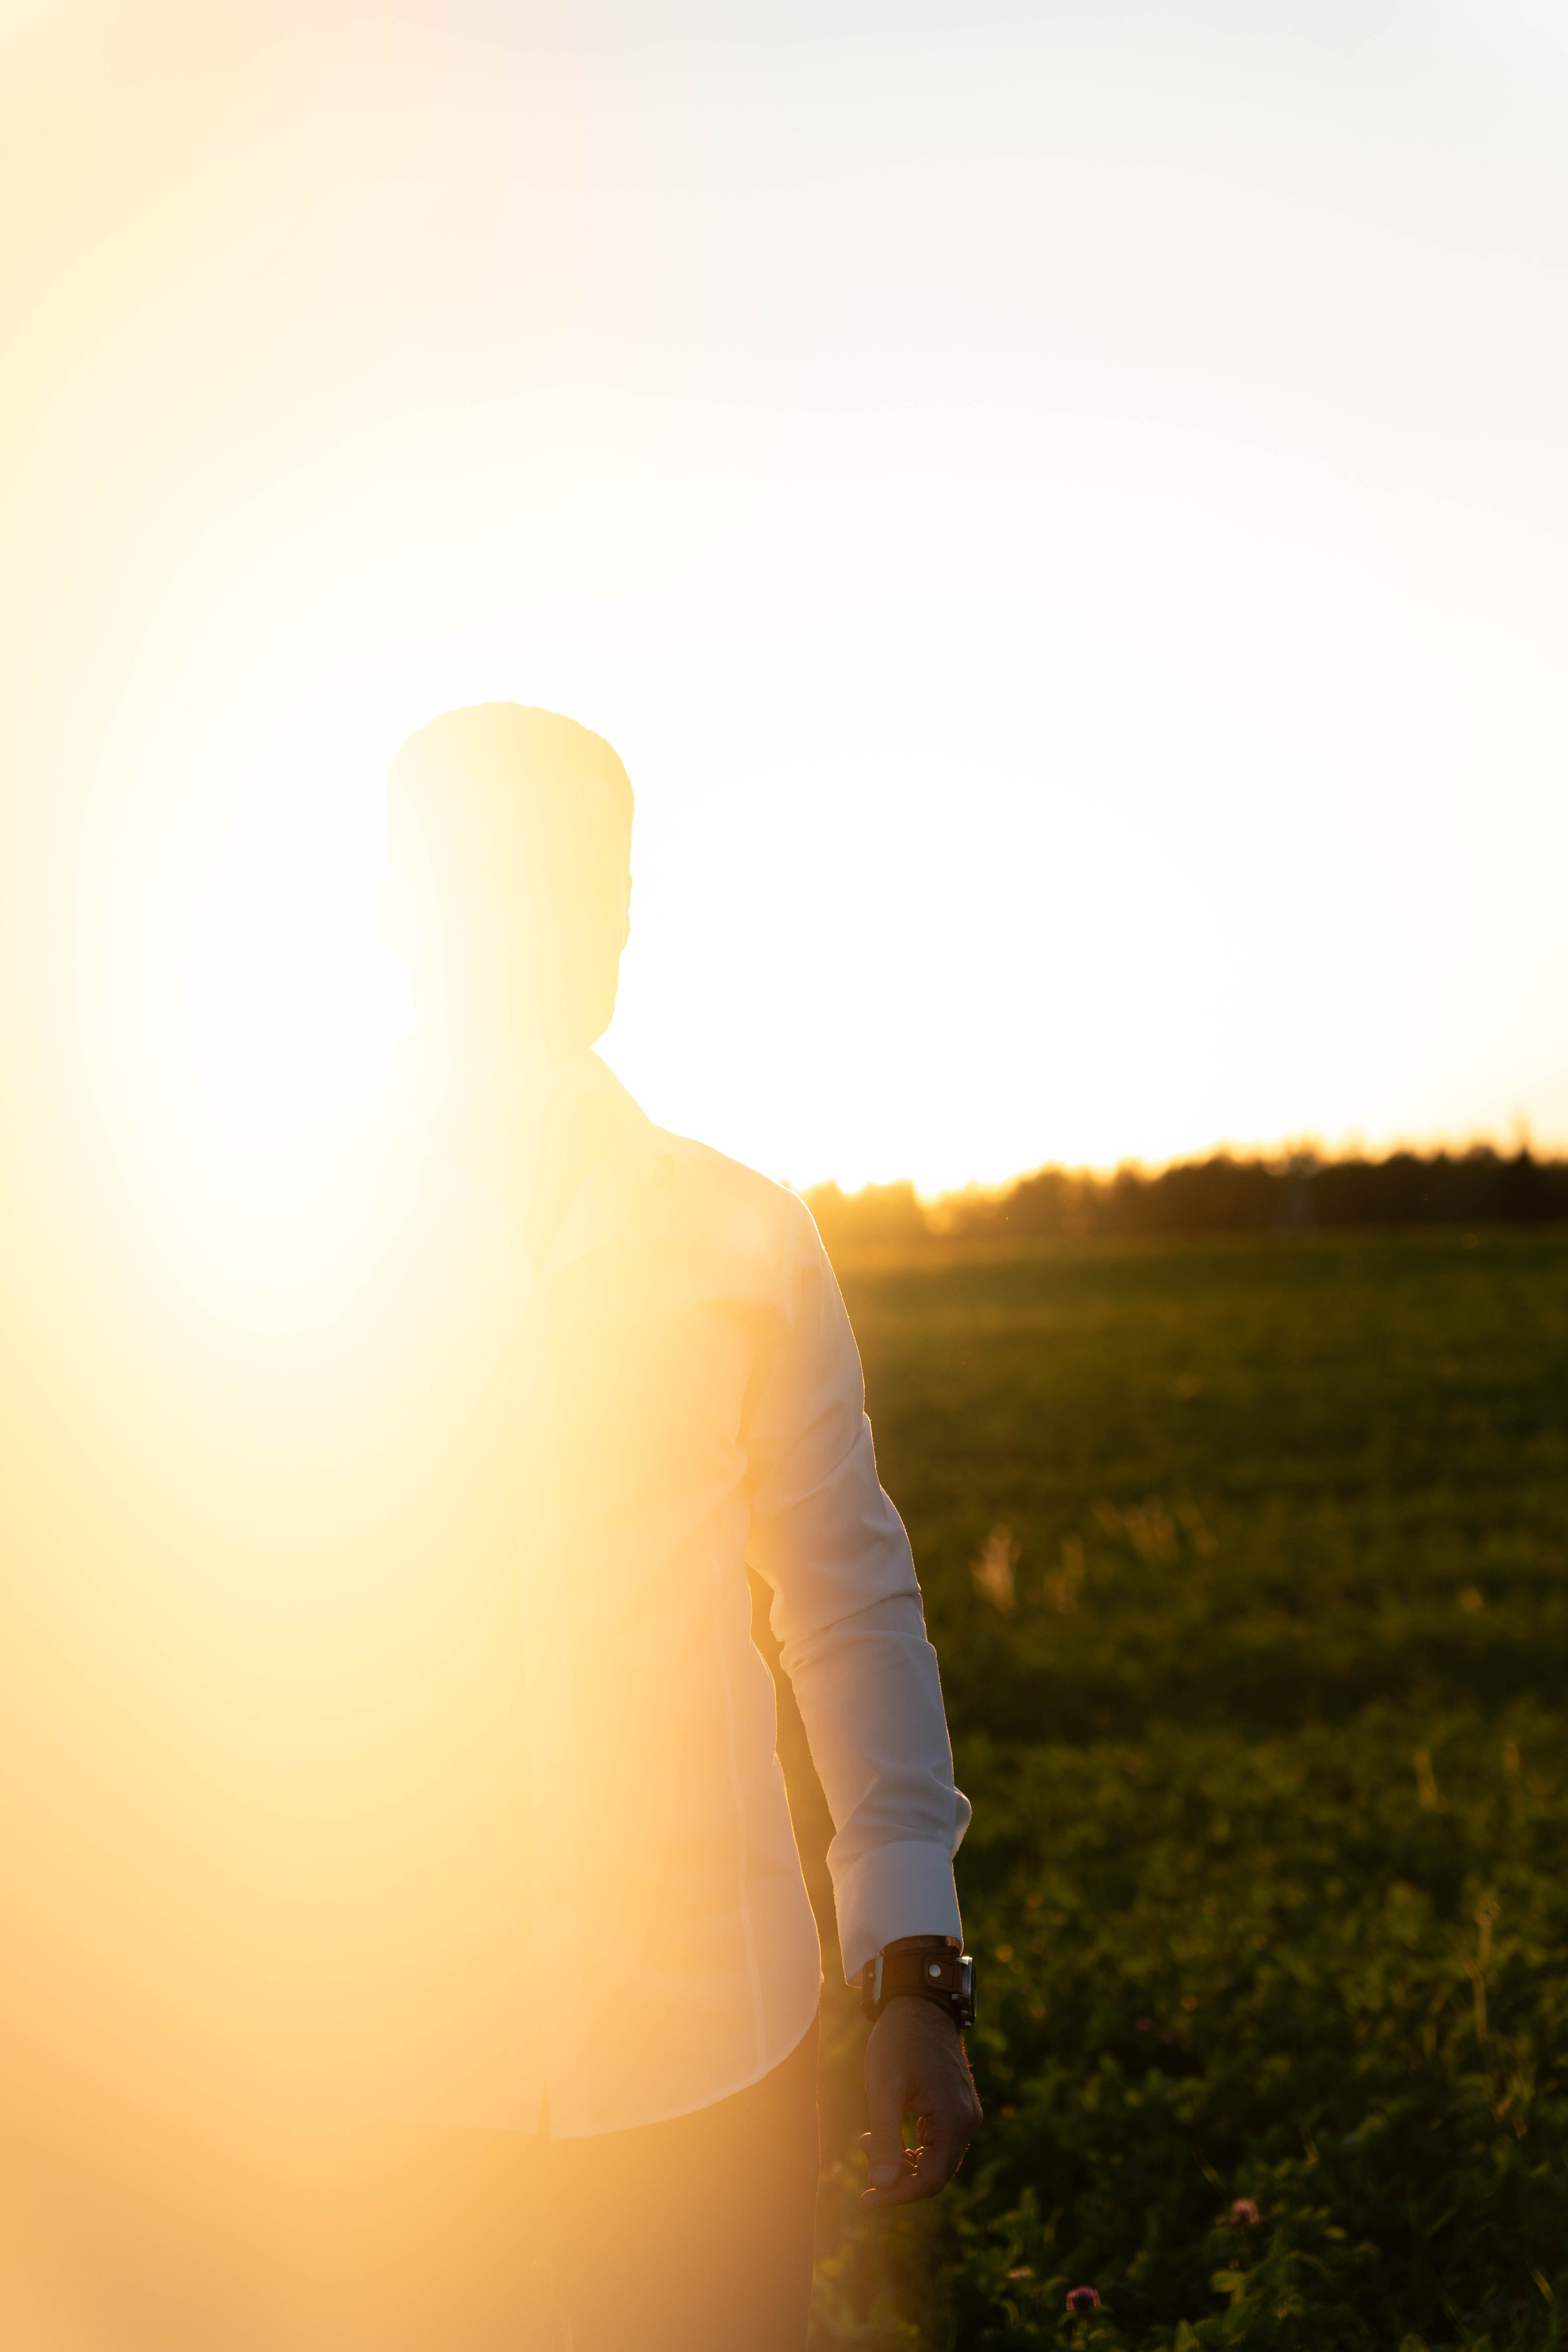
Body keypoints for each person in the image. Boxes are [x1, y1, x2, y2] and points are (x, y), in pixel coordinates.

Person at [298, 703, 981, 2351]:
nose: (556, 922)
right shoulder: (274, 1226)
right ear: (401, 914)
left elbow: (845, 1593)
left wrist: (911, 1960)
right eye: (502, 882)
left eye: (590, 884)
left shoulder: (746, 1236)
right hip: (361, 2071)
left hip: (709, 2063)